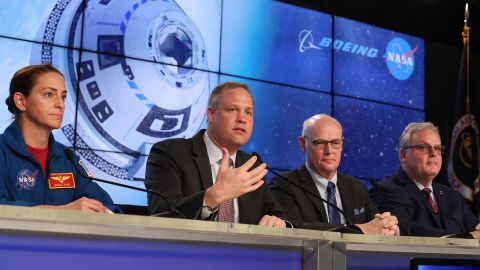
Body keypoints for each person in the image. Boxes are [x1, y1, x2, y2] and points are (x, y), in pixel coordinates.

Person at [145, 82, 286, 227]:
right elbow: (160, 215)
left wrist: (277, 221)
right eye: (233, 109)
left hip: (244, 250)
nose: (242, 119)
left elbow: (277, 214)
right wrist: (213, 196)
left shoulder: (251, 166)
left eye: (248, 112)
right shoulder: (170, 153)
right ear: (211, 114)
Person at [0, 64, 120, 213]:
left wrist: (102, 213)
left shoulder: (68, 158)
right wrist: (62, 212)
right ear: (21, 101)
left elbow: (108, 208)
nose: (61, 104)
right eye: (49, 94)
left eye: (63, 96)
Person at [270, 114, 399, 235]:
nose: (329, 151)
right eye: (320, 142)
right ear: (303, 144)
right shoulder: (284, 184)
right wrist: (359, 229)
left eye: (335, 143)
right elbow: (292, 228)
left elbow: (375, 225)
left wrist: (388, 227)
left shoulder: (356, 187)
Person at [370, 122, 480, 238]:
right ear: (403, 155)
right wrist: (467, 237)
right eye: (423, 147)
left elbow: (475, 228)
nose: (433, 154)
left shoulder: (453, 197)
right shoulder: (384, 191)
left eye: (437, 148)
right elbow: (406, 231)